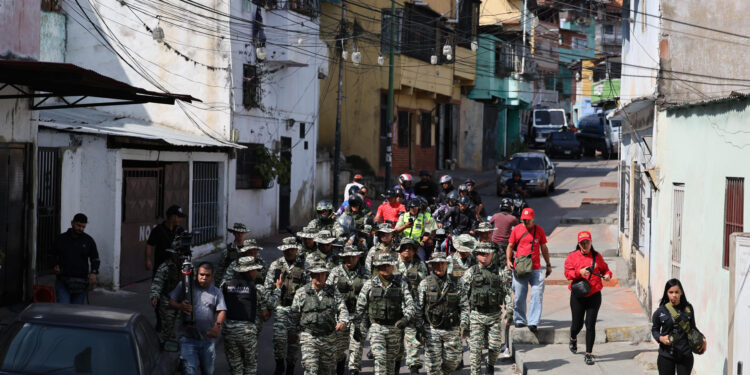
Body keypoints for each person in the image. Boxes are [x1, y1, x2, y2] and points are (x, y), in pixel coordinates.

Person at [353, 252, 416, 375]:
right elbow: (360, 307)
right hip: (377, 328)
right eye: (382, 266)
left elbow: (410, 305)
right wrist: (357, 327)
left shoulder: (401, 284)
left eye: (388, 265)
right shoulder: (370, 284)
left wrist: (405, 319)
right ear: (378, 267)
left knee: (390, 364)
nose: (386, 268)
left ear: (392, 266)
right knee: (380, 360)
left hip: (395, 328)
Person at [460, 242, 514, 375]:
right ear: (477, 255)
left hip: (494, 315)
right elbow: (463, 297)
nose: (484, 257)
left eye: (487, 254)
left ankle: (490, 364)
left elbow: (507, 293)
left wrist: (509, 310)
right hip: (476, 315)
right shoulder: (470, 272)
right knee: (475, 349)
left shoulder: (500, 272)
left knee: (495, 347)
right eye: (481, 254)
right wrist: (464, 320)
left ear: (492, 255)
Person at [222, 256, 281, 375]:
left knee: (235, 367)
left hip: (229, 331)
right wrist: (278, 289)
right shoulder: (257, 288)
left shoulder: (225, 285)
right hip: (247, 332)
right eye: (254, 270)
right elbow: (273, 303)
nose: (256, 273)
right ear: (249, 271)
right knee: (250, 366)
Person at [289, 261, 350, 375]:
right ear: (311, 275)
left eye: (322, 274)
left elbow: (342, 309)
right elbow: (294, 314)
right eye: (316, 274)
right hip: (309, 337)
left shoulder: (333, 292)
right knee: (310, 369)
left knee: (326, 371)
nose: (319, 277)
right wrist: (292, 332)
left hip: (328, 337)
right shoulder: (302, 292)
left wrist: (343, 321)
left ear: (326, 275)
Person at [564, 231, 613, 365]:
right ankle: (573, 337)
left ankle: (589, 354)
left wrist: (608, 275)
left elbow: (606, 270)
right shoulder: (572, 257)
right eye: (582, 243)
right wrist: (579, 272)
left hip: (594, 295)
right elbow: (567, 274)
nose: (585, 245)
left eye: (587, 242)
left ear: (591, 242)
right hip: (578, 295)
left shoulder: (597, 256)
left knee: (590, 325)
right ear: (578, 244)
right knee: (577, 324)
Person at [169, 262, 226, 375]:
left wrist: (217, 326)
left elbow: (222, 310)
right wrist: (180, 306)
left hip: (207, 341)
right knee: (190, 371)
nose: (204, 278)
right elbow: (171, 302)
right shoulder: (185, 286)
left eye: (207, 275)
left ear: (212, 276)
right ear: (197, 274)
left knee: (208, 372)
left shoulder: (216, 292)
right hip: (188, 339)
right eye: (201, 274)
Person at [415, 251, 464, 375]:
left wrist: (464, 325)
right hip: (432, 329)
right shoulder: (425, 283)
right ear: (431, 265)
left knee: (453, 361)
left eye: (442, 263)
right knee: (433, 366)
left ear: (447, 264)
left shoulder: (456, 283)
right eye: (436, 264)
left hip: (451, 328)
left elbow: (464, 306)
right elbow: (419, 308)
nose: (440, 266)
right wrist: (419, 329)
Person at [265, 237, 307, 375]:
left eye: (292, 249)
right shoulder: (276, 265)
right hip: (281, 307)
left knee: (294, 341)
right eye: (286, 250)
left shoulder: (304, 266)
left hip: (297, 310)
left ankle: (290, 367)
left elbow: (309, 288)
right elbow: (267, 287)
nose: (289, 252)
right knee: (279, 339)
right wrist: (268, 306)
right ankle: (279, 364)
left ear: (296, 250)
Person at [506, 208, 551, 333]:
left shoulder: (539, 230)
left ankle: (533, 322)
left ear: (533, 218)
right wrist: (508, 260)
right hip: (520, 268)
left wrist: (548, 264)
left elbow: (544, 248)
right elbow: (510, 246)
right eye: (524, 220)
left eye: (528, 220)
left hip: (535, 268)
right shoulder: (516, 230)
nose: (526, 222)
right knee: (519, 295)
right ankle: (520, 319)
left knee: (537, 292)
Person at [327, 246, 369, 375]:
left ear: (358, 257)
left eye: (353, 256)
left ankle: (353, 370)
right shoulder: (335, 272)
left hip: (358, 316)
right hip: (340, 316)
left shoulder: (365, 273)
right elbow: (328, 293)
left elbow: (370, 295)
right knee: (338, 350)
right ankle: (340, 364)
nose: (350, 259)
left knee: (356, 349)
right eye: (347, 256)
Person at [652, 279, 706, 375]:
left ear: (681, 292)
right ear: (666, 293)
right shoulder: (660, 311)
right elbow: (654, 330)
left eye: (677, 292)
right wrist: (661, 338)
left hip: (685, 354)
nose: (674, 295)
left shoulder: (688, 308)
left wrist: (703, 339)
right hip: (666, 355)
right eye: (671, 292)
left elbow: (693, 327)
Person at [395, 238, 429, 374]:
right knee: (396, 344)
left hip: (414, 308)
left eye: (410, 248)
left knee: (413, 342)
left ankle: (414, 368)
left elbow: (425, 286)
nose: (407, 250)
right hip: (396, 308)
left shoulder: (420, 265)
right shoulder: (393, 263)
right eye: (404, 248)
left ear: (415, 251)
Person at [52, 213, 100, 304]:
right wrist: (55, 265)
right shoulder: (61, 239)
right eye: (79, 225)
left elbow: (95, 258)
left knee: (76, 312)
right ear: (72, 223)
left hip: (81, 283)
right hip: (63, 281)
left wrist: (93, 272)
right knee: (64, 310)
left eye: (83, 227)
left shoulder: (88, 240)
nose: (81, 229)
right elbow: (51, 255)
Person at [150, 247, 181, 339]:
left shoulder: (188, 267)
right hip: (168, 300)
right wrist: (155, 296)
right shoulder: (165, 267)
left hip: (184, 301)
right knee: (167, 326)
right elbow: (157, 282)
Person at [146, 205, 186, 276]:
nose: (180, 219)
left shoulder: (180, 230)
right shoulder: (158, 230)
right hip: (160, 267)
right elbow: (149, 244)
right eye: (178, 217)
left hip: (176, 268)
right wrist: (148, 260)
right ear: (172, 216)